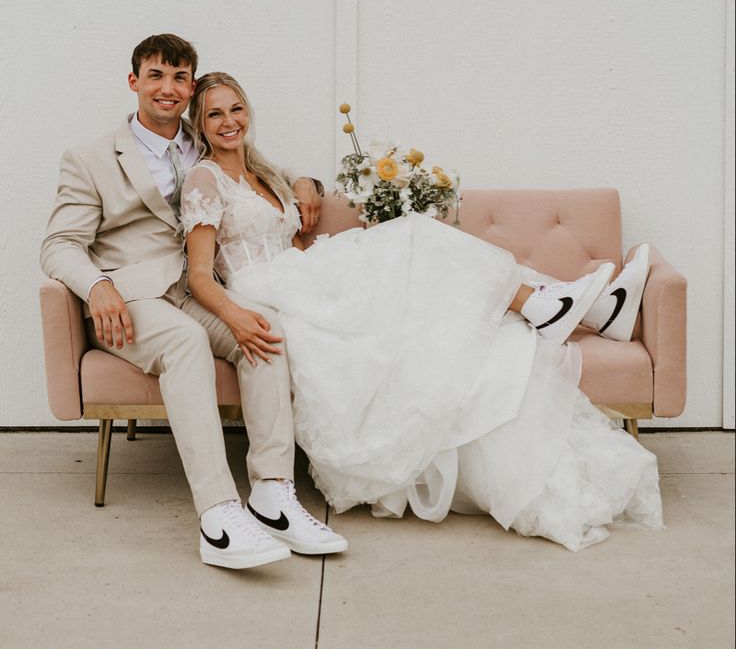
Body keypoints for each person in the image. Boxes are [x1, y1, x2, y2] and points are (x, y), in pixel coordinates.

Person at [181, 71, 663, 552]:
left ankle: (563, 306)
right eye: (215, 114)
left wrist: (305, 185)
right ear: (200, 126)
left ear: (249, 112)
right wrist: (235, 315)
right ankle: (554, 305)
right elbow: (201, 274)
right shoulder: (205, 177)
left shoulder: (263, 170)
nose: (229, 122)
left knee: (423, 260)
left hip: (298, 274)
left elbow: (297, 208)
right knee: (415, 238)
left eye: (236, 109)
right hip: (263, 288)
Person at [40, 34, 348, 569]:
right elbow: (58, 244)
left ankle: (273, 491)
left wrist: (306, 181)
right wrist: (97, 286)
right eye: (156, 75)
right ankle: (219, 515)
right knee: (184, 343)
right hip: (131, 298)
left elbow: (257, 169)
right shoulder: (89, 158)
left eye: (180, 77)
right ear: (134, 81)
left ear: (190, 88)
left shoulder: (202, 137)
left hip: (197, 290)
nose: (168, 88)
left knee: (266, 328)